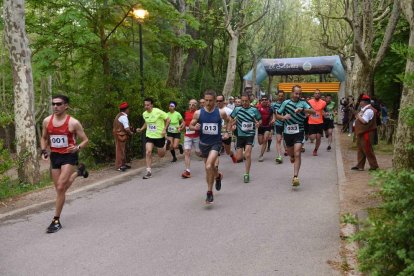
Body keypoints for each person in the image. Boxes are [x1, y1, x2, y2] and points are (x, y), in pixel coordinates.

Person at [40, 95, 89, 233]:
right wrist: (44, 150)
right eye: (53, 104)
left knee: (61, 186)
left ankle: (56, 220)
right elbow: (44, 138)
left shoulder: (73, 123)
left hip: (69, 156)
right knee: (59, 189)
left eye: (59, 104)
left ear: (66, 106)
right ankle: (79, 173)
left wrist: (77, 148)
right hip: (55, 156)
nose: (55, 106)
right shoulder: (46, 121)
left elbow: (85, 140)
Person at [189, 89, 230, 204]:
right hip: (204, 144)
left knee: (208, 166)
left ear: (215, 101)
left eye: (210, 100)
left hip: (216, 143)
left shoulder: (220, 113)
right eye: (206, 100)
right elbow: (190, 125)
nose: (208, 103)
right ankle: (218, 176)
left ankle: (209, 192)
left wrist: (227, 132)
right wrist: (194, 127)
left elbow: (229, 121)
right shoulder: (198, 113)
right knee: (209, 170)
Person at [276, 85, 315, 187]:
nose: (298, 95)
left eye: (299, 93)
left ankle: (295, 176)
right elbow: (277, 115)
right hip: (288, 132)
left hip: (299, 131)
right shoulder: (286, 103)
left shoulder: (303, 103)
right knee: (291, 154)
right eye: (296, 93)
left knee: (297, 152)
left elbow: (313, 111)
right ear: (292, 93)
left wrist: (302, 110)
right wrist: (283, 117)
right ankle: (292, 156)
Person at [136, 97, 171, 179]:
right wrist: (141, 129)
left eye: (148, 105)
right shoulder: (144, 114)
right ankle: (148, 171)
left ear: (152, 105)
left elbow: (168, 119)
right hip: (149, 136)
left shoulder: (158, 111)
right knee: (148, 151)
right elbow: (146, 123)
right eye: (145, 105)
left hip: (159, 136)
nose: (146, 106)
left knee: (161, 155)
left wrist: (164, 129)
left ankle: (166, 143)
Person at [230, 94, 262, 183]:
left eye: (246, 101)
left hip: (250, 135)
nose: (244, 103)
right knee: (239, 158)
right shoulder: (237, 109)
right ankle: (236, 153)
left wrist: (258, 123)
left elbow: (260, 119)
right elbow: (231, 118)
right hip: (240, 135)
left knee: (247, 155)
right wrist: (232, 125)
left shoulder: (254, 110)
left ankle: (246, 174)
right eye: (242, 101)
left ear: (249, 101)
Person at [351, 95, 379, 171]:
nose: (359, 102)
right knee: (360, 149)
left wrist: (356, 114)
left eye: (360, 101)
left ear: (364, 102)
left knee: (367, 149)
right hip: (362, 132)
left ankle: (374, 166)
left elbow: (364, 121)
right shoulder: (364, 109)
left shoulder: (369, 110)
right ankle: (360, 166)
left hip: (367, 133)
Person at [181, 99, 201, 178]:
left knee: (198, 152)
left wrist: (197, 127)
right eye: (190, 104)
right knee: (187, 152)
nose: (191, 106)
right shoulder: (186, 112)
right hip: (187, 135)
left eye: (193, 105)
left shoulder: (198, 113)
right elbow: (185, 122)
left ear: (196, 105)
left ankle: (208, 158)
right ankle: (187, 171)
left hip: (197, 136)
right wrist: (181, 126)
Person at [113, 102, 134, 171]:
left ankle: (123, 164)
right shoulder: (123, 117)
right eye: (128, 109)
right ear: (126, 109)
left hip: (119, 135)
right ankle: (119, 166)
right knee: (120, 150)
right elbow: (126, 128)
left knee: (122, 150)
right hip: (121, 135)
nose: (129, 110)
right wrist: (130, 133)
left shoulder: (119, 115)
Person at [216, 95, 237, 163]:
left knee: (227, 151)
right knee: (216, 150)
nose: (218, 102)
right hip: (217, 133)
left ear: (224, 101)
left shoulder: (229, 111)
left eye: (220, 101)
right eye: (217, 101)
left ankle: (231, 154)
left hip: (226, 133)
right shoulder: (214, 110)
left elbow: (234, 120)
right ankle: (216, 168)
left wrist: (232, 126)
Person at [308, 89, 327, 156]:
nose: (317, 94)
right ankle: (309, 136)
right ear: (314, 94)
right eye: (315, 93)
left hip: (319, 122)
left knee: (318, 137)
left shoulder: (323, 103)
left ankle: (315, 150)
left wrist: (325, 114)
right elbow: (307, 110)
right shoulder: (309, 102)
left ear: (320, 95)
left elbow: (323, 110)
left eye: (318, 93)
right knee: (312, 137)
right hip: (311, 122)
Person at [256, 95, 273, 162]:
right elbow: (253, 115)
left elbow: (273, 115)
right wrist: (256, 122)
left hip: (267, 126)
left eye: (266, 100)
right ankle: (264, 146)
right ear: (261, 101)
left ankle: (261, 155)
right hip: (260, 127)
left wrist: (273, 120)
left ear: (267, 101)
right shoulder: (257, 108)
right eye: (263, 100)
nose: (264, 101)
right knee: (260, 142)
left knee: (265, 139)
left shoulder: (270, 108)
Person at [271, 90, 286, 163]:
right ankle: (279, 156)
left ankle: (287, 149)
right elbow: (274, 113)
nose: (280, 97)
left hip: (287, 124)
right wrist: (273, 119)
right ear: (277, 96)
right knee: (278, 140)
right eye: (279, 96)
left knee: (286, 140)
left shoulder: (287, 103)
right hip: (278, 124)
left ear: (284, 96)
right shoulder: (274, 105)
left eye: (282, 96)